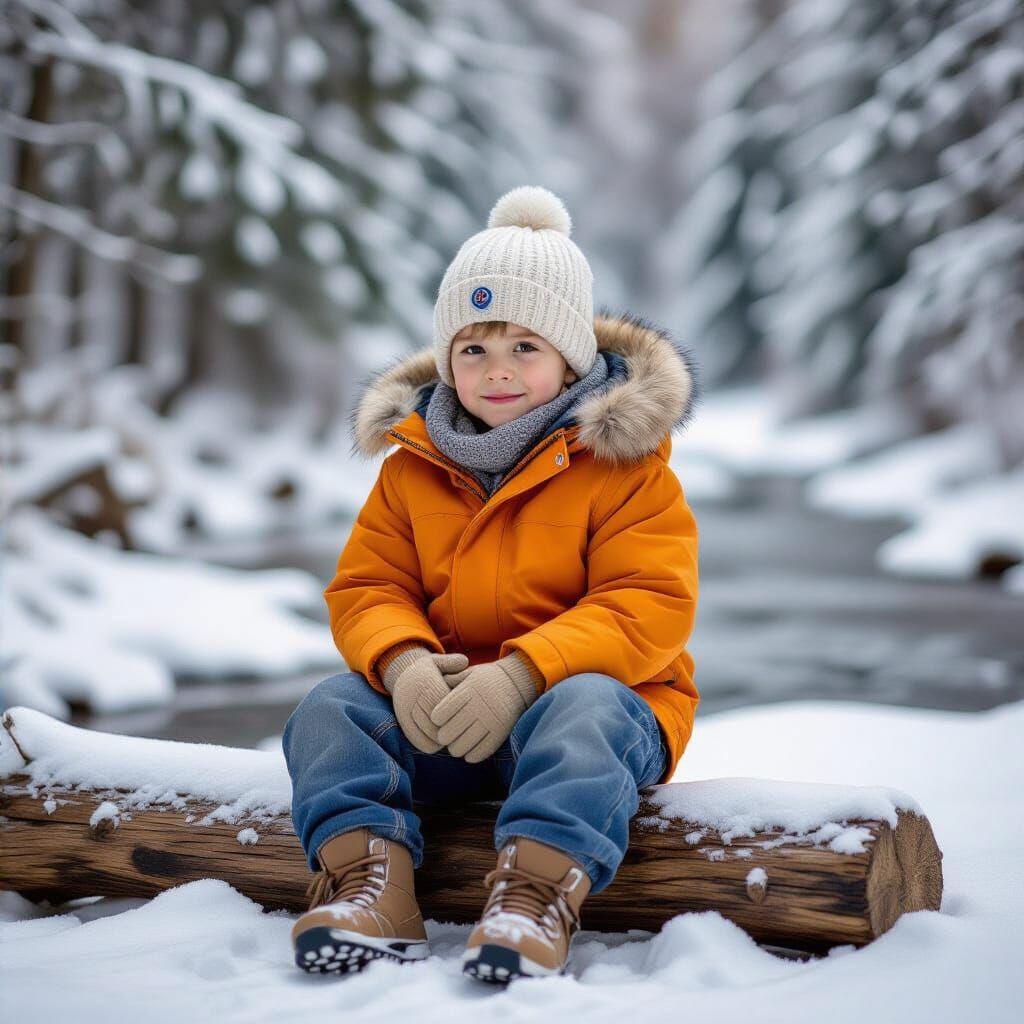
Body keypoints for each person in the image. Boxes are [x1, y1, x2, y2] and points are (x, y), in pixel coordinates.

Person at [282, 185, 700, 984]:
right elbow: (367, 585)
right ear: (445, 361)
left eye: (524, 348)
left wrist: (522, 674)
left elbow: (647, 605)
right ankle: (372, 887)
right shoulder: (413, 469)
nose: (496, 371)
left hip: (595, 706)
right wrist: (401, 663)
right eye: (473, 350)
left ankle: (534, 897)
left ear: (571, 357)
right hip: (444, 719)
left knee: (586, 713)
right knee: (329, 709)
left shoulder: (625, 469)